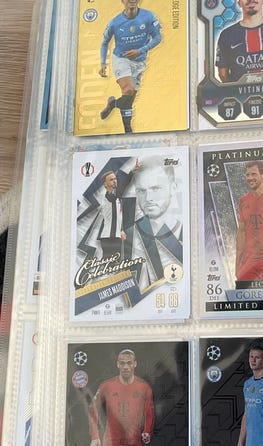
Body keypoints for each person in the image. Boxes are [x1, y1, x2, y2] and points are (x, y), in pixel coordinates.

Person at [89, 349, 154, 446]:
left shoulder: (144, 387)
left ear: (135, 364)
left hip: (134, 445)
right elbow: (93, 408)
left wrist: (147, 431)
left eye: (129, 363)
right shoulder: (107, 386)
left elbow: (149, 411)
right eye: (122, 363)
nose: (125, 366)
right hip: (113, 443)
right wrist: (95, 436)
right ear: (117, 364)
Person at [98, 0, 161, 133]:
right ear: (122, 1)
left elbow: (157, 38)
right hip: (121, 59)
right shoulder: (115, 22)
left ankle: (114, 104)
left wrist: (140, 51)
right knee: (128, 90)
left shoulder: (148, 16)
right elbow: (104, 42)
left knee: (130, 98)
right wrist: (103, 63)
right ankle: (128, 130)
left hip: (140, 61)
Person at [215, 0, 263, 83]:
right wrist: (238, 90)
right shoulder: (226, 34)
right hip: (239, 92)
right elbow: (223, 74)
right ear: (239, 3)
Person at [133, 157, 183, 286]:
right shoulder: (127, 237)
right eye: (141, 191)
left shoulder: (189, 235)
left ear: (173, 188)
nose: (148, 198)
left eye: (155, 189)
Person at [98, 160, 140, 260]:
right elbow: (123, 187)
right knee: (110, 264)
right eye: (111, 179)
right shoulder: (108, 197)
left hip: (115, 236)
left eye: (115, 179)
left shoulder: (117, 198)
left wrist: (121, 230)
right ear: (105, 184)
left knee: (113, 264)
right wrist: (132, 172)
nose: (115, 181)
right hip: (108, 238)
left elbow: (117, 216)